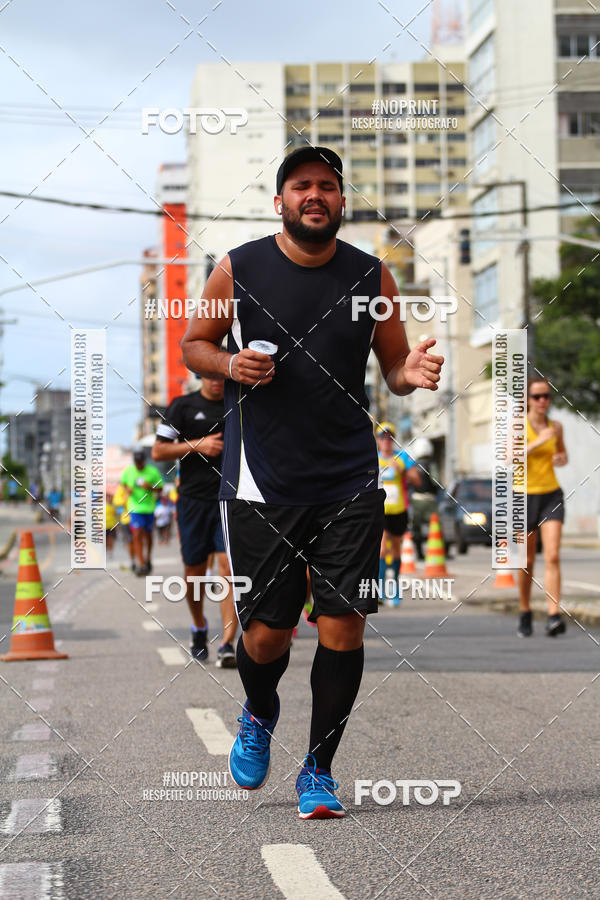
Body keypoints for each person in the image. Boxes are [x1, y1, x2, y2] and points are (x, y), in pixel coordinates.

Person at [181, 145, 443, 818]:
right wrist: (229, 365)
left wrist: (408, 374)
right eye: (302, 186)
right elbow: (194, 345)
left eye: (327, 185)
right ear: (281, 201)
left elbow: (392, 368)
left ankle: (319, 771)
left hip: (350, 477)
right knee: (266, 635)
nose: (315, 195)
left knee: (344, 624)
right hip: (262, 480)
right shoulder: (239, 267)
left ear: (340, 200)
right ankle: (259, 711)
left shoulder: (371, 277)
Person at [152, 376, 238, 667]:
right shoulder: (182, 406)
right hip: (192, 501)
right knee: (195, 573)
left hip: (230, 499)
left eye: (223, 376)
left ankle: (228, 644)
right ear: (200, 376)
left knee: (228, 567)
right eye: (211, 376)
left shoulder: (238, 403)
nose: (217, 382)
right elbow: (159, 451)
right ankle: (199, 625)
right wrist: (197, 445)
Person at [517, 379, 568, 638]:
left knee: (553, 555)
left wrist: (559, 457)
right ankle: (525, 610)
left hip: (551, 494)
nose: (542, 401)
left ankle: (553, 615)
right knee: (526, 561)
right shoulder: (518, 426)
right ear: (527, 399)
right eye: (537, 396)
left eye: (546, 396)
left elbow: (562, 455)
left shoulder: (556, 427)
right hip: (522, 496)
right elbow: (507, 457)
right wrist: (537, 443)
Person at [376, 422, 421, 601]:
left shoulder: (402, 457)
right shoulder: (373, 458)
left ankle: (393, 586)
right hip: (380, 510)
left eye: (389, 437)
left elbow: (417, 480)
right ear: (378, 441)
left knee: (396, 548)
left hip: (399, 509)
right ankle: (379, 589)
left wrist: (402, 470)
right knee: (381, 549)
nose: (386, 441)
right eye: (383, 437)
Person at [119, 449, 163, 576]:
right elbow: (123, 484)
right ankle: (141, 563)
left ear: (144, 461)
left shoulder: (152, 471)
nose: (138, 465)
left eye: (140, 462)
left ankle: (148, 557)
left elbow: (160, 488)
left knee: (148, 536)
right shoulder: (128, 471)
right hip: (135, 508)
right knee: (137, 534)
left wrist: (149, 487)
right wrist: (128, 489)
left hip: (149, 508)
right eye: (136, 462)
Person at [407, 438, 441, 560]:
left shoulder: (413, 464)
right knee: (435, 526)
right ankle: (439, 552)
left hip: (416, 500)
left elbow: (409, 482)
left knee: (416, 528)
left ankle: (419, 553)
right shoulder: (431, 464)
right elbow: (436, 481)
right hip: (430, 500)